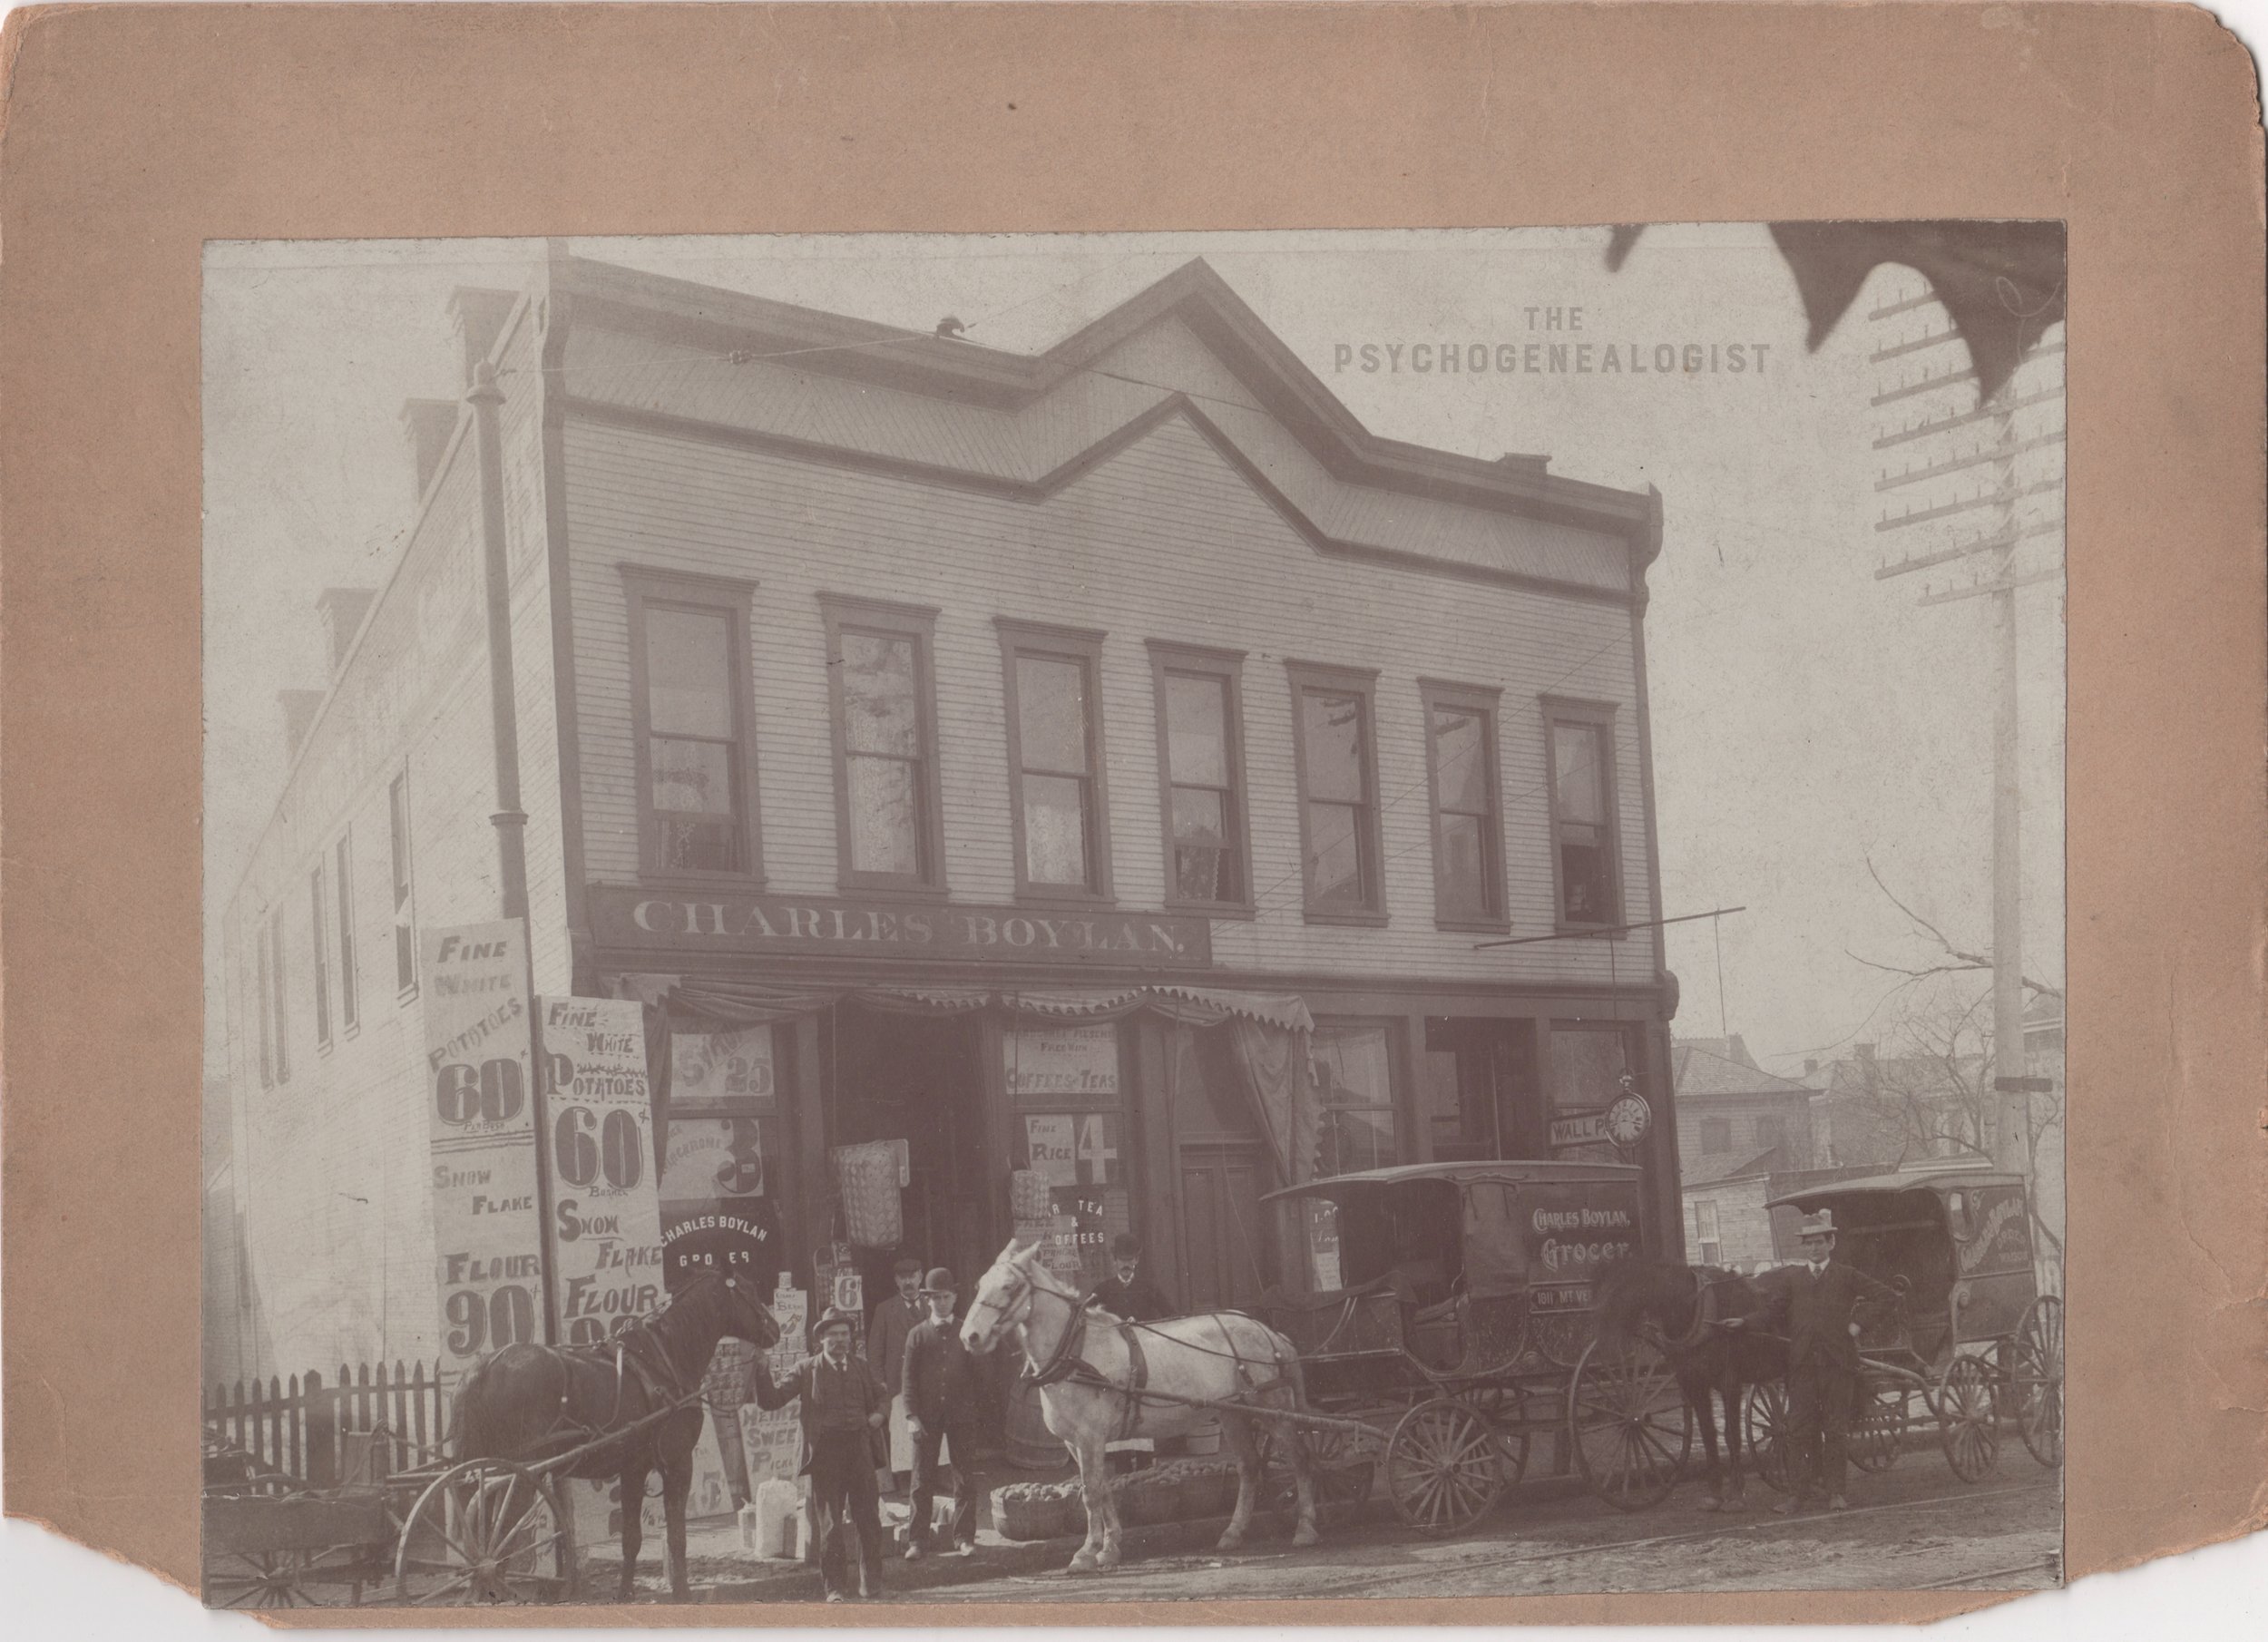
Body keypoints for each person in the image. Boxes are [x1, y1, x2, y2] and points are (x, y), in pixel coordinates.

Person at [1749, 1209, 1901, 1514]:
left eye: (1819, 1242)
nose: (1814, 1248)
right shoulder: (1793, 1279)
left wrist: (1857, 1324)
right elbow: (1772, 1313)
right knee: (1798, 1429)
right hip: (1802, 1364)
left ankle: (1836, 1492)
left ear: (1831, 1243)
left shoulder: (1846, 1275)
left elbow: (1886, 1296)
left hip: (1838, 1364)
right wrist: (1743, 1322)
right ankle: (1796, 1495)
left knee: (1835, 1429)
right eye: (1808, 1243)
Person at [749, 1307, 888, 1601]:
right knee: (831, 1526)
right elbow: (771, 1400)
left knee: (869, 1519)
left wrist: (878, 1415)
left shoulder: (861, 1366)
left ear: (851, 1338)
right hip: (826, 1455)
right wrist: (762, 1370)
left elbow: (881, 1396)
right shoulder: (806, 1369)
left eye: (844, 1334)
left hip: (860, 1450)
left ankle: (870, 1584)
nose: (840, 1340)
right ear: (821, 1339)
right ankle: (835, 1588)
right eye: (833, 1335)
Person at [901, 1267, 981, 1559]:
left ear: (956, 1297)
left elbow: (978, 1377)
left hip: (961, 1416)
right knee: (922, 1479)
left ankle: (963, 1538)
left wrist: (973, 1410)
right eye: (935, 1298)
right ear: (927, 1301)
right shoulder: (917, 1335)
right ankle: (917, 1541)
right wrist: (911, 1416)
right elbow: (908, 1380)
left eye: (946, 1296)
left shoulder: (966, 1330)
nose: (942, 1303)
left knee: (965, 1478)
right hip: (926, 1418)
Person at [868, 1256, 923, 1493]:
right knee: (901, 1430)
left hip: (929, 1380)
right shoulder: (885, 1309)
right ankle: (903, 1475)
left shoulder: (933, 1306)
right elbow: (875, 1349)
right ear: (896, 1281)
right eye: (903, 1278)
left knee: (933, 1427)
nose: (908, 1282)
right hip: (898, 1382)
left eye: (912, 1276)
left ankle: (938, 1472)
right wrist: (879, 1381)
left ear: (921, 1277)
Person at [1090, 1233, 1174, 1322]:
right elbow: (1086, 1317)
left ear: (1136, 1260)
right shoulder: (1103, 1290)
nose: (1126, 1264)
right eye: (1122, 1260)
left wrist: (1139, 1320)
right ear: (1115, 1260)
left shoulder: (1149, 1288)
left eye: (1129, 1259)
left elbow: (1171, 1316)